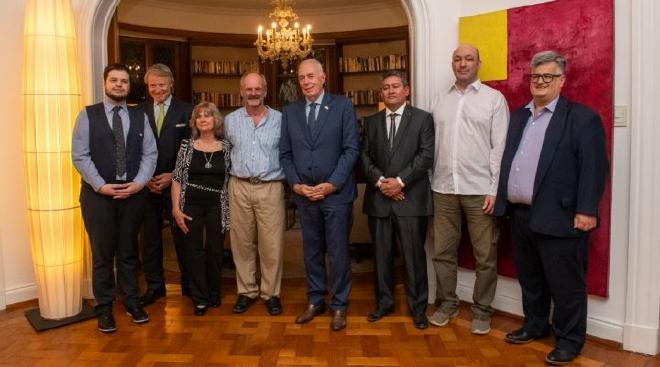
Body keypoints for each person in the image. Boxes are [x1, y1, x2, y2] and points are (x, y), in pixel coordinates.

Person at [494, 50, 608, 365]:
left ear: (562, 81)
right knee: (530, 278)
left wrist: (587, 210)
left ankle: (570, 341)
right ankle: (535, 325)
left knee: (566, 284)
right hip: (520, 215)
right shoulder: (519, 116)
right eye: (536, 76)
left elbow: (594, 167)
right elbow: (509, 162)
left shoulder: (582, 118)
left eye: (548, 76)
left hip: (561, 216)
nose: (541, 82)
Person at [429, 44, 509, 335]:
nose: (462, 64)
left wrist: (494, 190)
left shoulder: (493, 100)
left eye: (468, 59)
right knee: (442, 252)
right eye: (457, 59)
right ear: (453, 64)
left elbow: (499, 148)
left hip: (479, 190)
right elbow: (432, 147)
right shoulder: (439, 100)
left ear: (478, 63)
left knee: (485, 255)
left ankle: (482, 310)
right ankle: (448, 302)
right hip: (443, 189)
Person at [72, 63, 158, 333]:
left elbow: (150, 155)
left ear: (129, 86)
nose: (119, 85)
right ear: (105, 83)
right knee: (102, 255)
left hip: (132, 195)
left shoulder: (140, 116)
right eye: (114, 80)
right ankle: (105, 308)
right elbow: (80, 155)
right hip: (99, 197)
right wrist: (100, 186)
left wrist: (139, 184)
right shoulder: (87, 116)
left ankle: (132, 302)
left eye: (124, 81)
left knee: (129, 253)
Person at [280, 58, 360, 331]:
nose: (306, 82)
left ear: (323, 77)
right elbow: (285, 154)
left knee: (337, 253)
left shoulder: (342, 106)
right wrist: (295, 185)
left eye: (311, 76)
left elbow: (351, 150)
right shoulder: (289, 112)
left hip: (336, 195)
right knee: (311, 252)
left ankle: (339, 305)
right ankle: (316, 300)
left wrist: (332, 184)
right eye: (302, 77)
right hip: (305, 195)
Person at [360, 70, 434, 329]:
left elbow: (425, 156)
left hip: (410, 199)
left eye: (395, 86)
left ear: (406, 90)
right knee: (381, 256)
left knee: (414, 257)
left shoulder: (423, 119)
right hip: (379, 200)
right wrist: (382, 183)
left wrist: (400, 182)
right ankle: (384, 303)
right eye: (386, 87)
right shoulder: (371, 122)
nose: (390, 91)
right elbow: (364, 157)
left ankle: (418, 309)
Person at [225, 72, 285, 315]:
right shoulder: (229, 121)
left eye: (257, 89)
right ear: (241, 92)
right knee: (241, 243)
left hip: (270, 186)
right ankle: (247, 291)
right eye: (248, 89)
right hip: (238, 185)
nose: (253, 93)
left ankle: (271, 293)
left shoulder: (281, 120)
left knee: (272, 244)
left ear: (265, 90)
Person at [139, 63, 193, 306]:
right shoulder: (138, 112)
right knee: (149, 240)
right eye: (152, 85)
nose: (157, 90)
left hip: (177, 185)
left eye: (161, 85)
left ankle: (190, 286)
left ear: (171, 84)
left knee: (182, 237)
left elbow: (193, 149)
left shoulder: (187, 110)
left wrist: (174, 175)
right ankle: (155, 286)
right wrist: (144, 178)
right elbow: (133, 150)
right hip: (147, 185)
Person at [171, 102, 231, 316]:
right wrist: (176, 210)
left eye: (208, 115)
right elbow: (177, 179)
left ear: (216, 120)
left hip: (217, 203)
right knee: (193, 251)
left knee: (215, 250)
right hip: (190, 204)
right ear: (194, 122)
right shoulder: (187, 146)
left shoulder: (227, 147)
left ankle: (214, 293)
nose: (204, 119)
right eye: (199, 116)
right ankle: (200, 298)